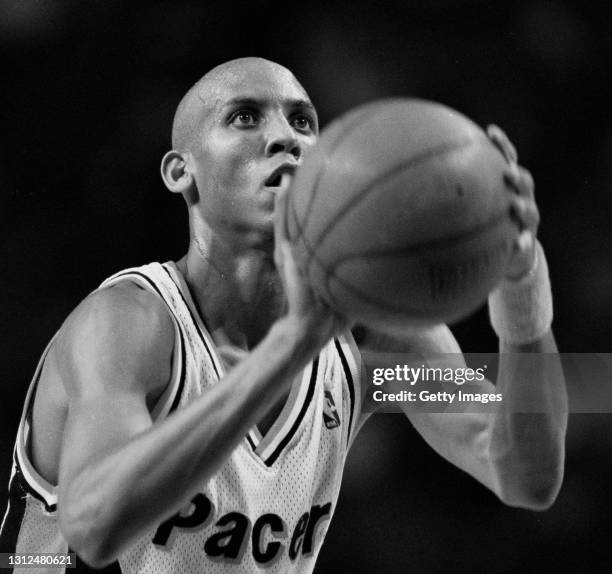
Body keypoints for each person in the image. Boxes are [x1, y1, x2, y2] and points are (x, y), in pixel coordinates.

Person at [0, 57, 567, 573]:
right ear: (181, 172)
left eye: (303, 122)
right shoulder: (129, 323)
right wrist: (290, 346)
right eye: (245, 117)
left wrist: (522, 296)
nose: (284, 139)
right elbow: (95, 528)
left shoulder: (378, 344)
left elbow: (522, 472)